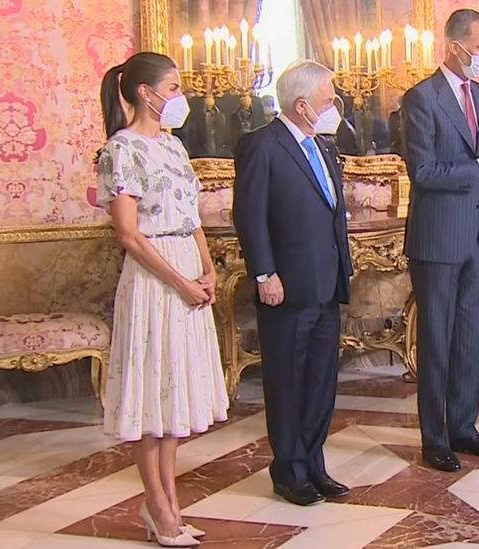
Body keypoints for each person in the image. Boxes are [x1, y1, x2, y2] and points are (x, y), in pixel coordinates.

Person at [97, 52, 229, 547]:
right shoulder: (120, 150)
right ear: (144, 93)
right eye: (172, 88)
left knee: (175, 395)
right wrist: (179, 280)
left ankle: (172, 502)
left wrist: (208, 266)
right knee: (154, 393)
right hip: (154, 280)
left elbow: (191, 216)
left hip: (188, 270)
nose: (180, 98)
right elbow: (130, 235)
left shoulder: (174, 147)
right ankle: (157, 503)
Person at [233, 60, 354, 507]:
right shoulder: (262, 146)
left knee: (322, 381)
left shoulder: (323, 146)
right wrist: (265, 273)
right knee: (287, 381)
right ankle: (289, 470)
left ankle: (314, 464)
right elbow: (249, 216)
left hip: (326, 285)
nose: (334, 106)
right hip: (285, 286)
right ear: (302, 105)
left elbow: (330, 212)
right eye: (328, 99)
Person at [400, 8, 479, 473]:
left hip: (476, 239)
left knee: (468, 340)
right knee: (437, 339)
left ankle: (464, 427)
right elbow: (423, 172)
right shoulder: (420, 99)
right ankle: (434, 437)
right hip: (437, 238)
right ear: (455, 46)